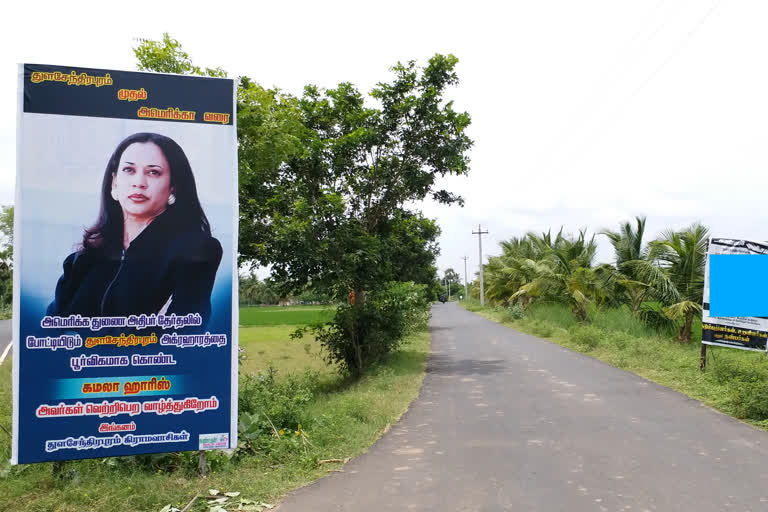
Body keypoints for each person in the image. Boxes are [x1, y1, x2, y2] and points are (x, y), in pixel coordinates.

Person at [46, 132, 223, 326]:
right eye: (129, 170)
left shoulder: (196, 250)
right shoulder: (83, 259)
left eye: (153, 172)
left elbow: (185, 333)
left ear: (173, 186)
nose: (139, 182)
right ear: (114, 181)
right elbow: (51, 328)